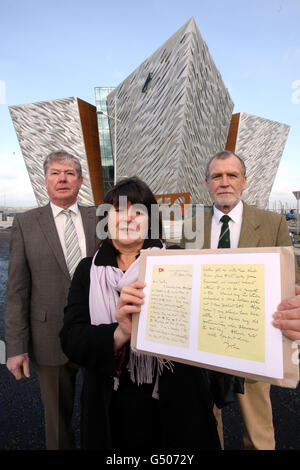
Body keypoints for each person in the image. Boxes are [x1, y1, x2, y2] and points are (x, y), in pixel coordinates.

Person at [60, 176, 240, 451]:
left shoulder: (178, 260)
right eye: (118, 211)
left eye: (138, 211)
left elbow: (214, 318)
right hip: (111, 404)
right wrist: (120, 333)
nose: (128, 219)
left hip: (175, 403)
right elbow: (71, 340)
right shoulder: (88, 270)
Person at [183, 150, 300, 450]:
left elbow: (291, 281)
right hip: (204, 343)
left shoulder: (272, 222)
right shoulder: (191, 226)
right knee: (207, 426)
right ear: (206, 183)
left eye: (232, 175)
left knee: (258, 430)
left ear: (244, 181)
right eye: (217, 176)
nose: (224, 182)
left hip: (254, 343)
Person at [4, 150, 98, 450]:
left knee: (103, 415)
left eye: (69, 173)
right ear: (45, 181)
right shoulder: (26, 223)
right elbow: (17, 290)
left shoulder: (101, 218)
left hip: (99, 333)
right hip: (48, 337)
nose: (62, 179)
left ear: (80, 180)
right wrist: (16, 347)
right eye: (55, 173)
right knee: (57, 425)